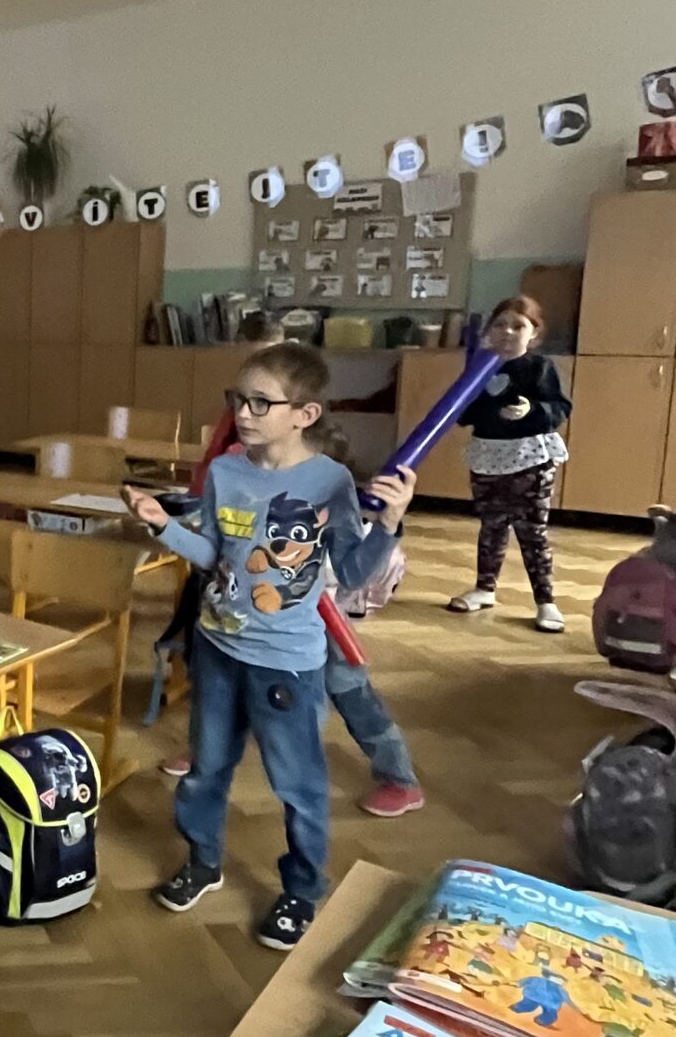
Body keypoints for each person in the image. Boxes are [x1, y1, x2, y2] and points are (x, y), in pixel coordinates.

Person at [125, 344, 414, 950]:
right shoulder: (226, 472)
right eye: (239, 399)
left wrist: (388, 526)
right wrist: (163, 525)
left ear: (305, 414)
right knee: (206, 770)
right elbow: (215, 556)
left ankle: (302, 890)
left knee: (297, 786)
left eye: (261, 402)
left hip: (287, 663)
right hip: (217, 648)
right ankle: (203, 861)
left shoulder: (330, 481)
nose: (243, 413)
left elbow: (353, 573)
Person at [162, 423, 426, 820]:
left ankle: (399, 778)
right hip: (259, 626)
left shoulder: (339, 513)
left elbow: (357, 572)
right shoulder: (263, 496)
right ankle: (207, 755)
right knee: (228, 685)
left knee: (352, 695)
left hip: (319, 628)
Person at [447, 296, 572, 633]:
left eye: (518, 326)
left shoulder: (539, 367)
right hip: (488, 457)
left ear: (534, 333)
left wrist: (531, 410)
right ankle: (484, 588)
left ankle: (545, 601)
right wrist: (466, 396)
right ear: (490, 330)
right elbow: (464, 414)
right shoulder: (481, 367)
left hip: (530, 458)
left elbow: (560, 408)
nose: (508, 331)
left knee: (532, 531)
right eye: (500, 324)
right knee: (491, 526)